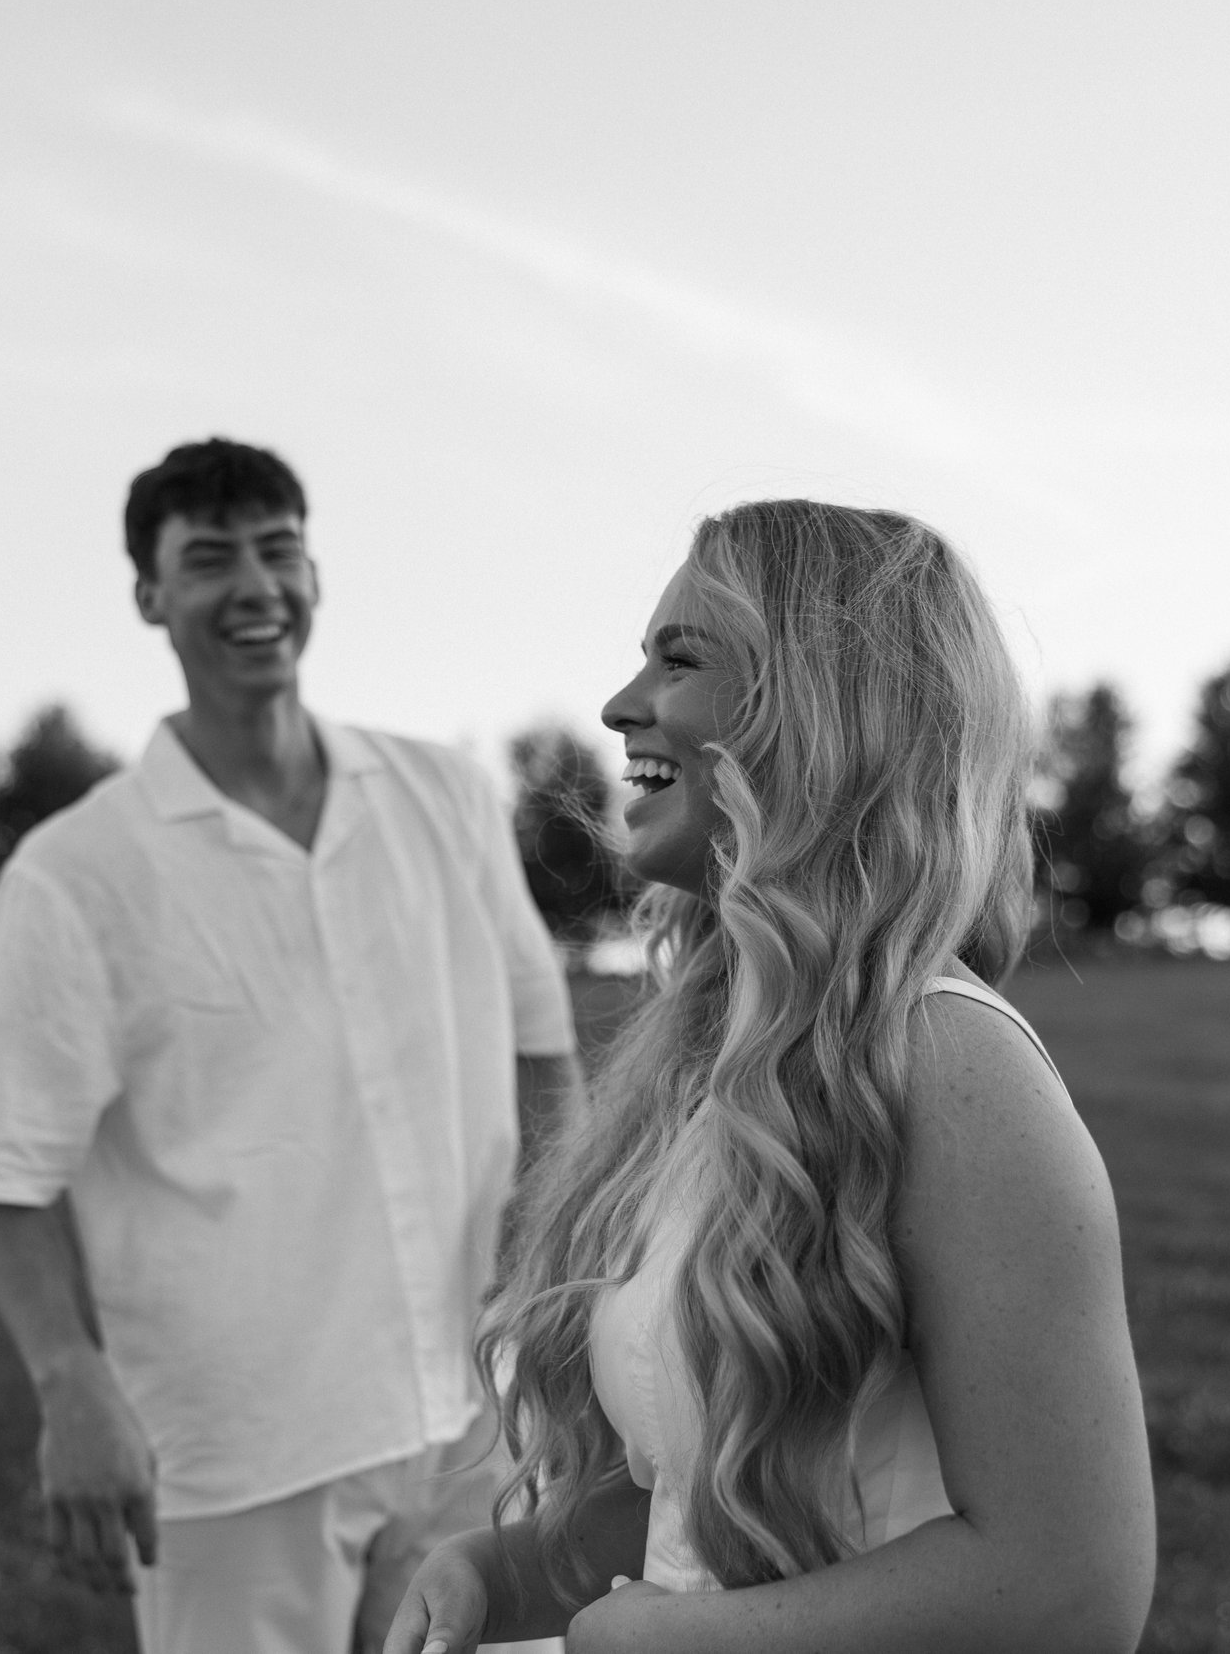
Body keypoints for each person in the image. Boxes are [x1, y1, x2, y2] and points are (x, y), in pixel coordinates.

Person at [386, 500, 1155, 1652]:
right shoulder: (718, 1062)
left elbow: (1069, 1585)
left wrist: (675, 1643)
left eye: (679, 657)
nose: (619, 703)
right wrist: (503, 1571)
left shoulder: (951, 1065)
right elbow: (716, 1497)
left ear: (818, 703)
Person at [0, 438, 581, 1654]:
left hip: (479, 1407)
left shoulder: (443, 796)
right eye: (209, 558)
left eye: (279, 550)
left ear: (316, 575)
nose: (254, 586)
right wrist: (70, 1380)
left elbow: (542, 1056)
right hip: (239, 1447)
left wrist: (557, 1280)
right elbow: (0, 1177)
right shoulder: (76, 874)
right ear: (149, 595)